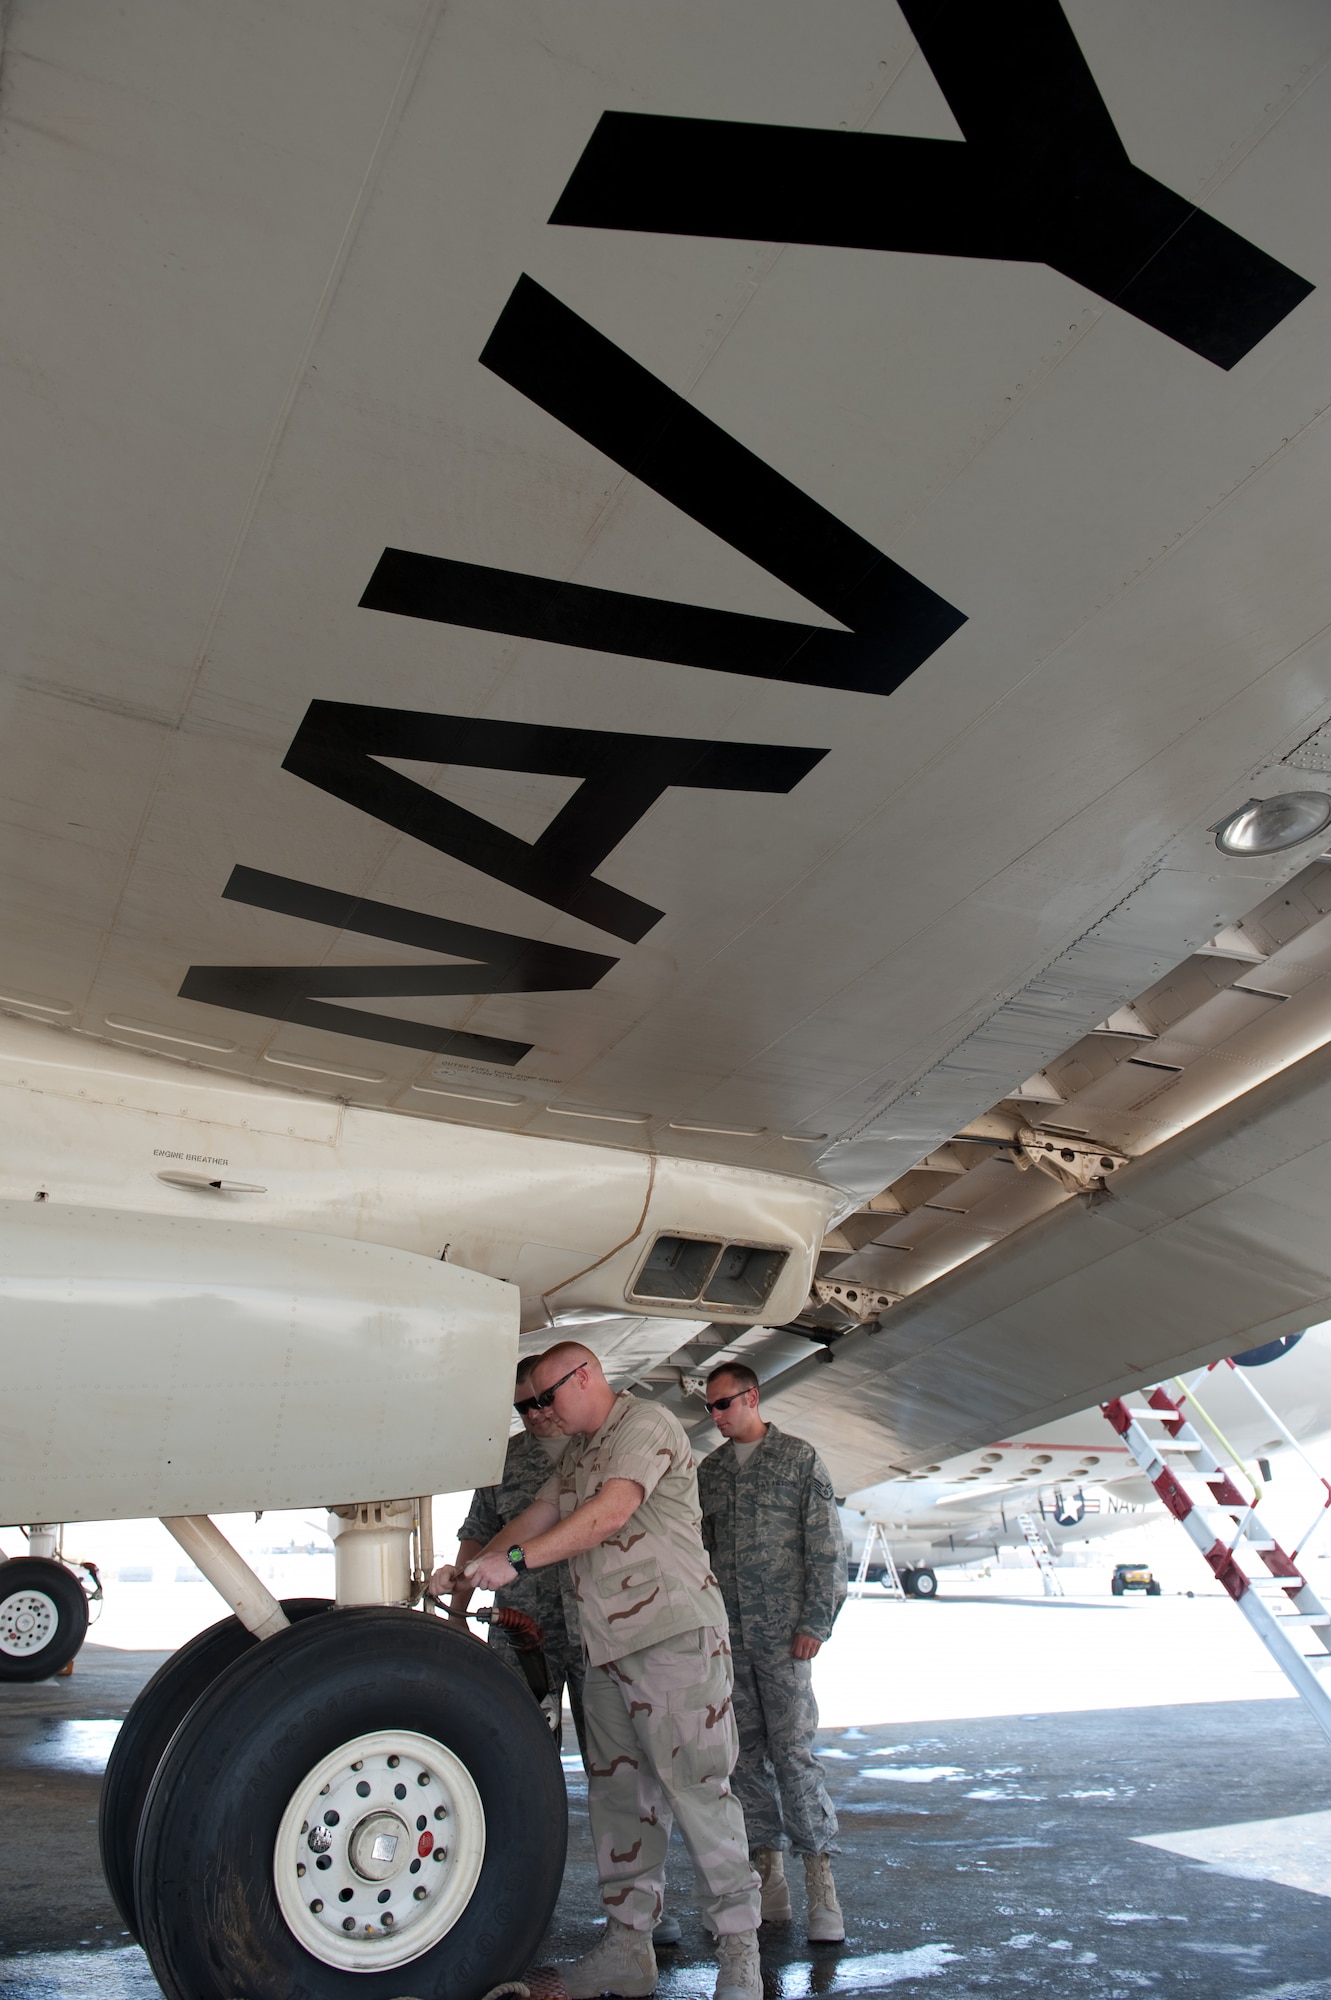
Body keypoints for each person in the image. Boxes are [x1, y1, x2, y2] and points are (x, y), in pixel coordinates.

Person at [435, 1341, 762, 2000]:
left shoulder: (643, 1424)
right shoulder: (581, 1450)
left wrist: (516, 1563)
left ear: (583, 1377)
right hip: (606, 1648)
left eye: (547, 1397)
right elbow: (538, 1514)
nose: (540, 1412)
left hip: (671, 1639)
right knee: (620, 1798)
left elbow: (609, 1512)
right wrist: (470, 1571)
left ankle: (739, 1956)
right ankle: (627, 1951)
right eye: (530, 1403)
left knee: (697, 1792)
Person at [695, 1362, 847, 1944]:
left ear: (752, 1397)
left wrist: (816, 1622)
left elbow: (826, 1547)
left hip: (785, 1641)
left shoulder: (798, 1459)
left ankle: (821, 1883)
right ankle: (768, 1875)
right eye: (709, 1407)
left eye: (723, 1404)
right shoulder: (709, 1473)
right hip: (729, 1642)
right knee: (743, 1760)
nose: (715, 1415)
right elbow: (699, 1556)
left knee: (794, 1756)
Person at [446, 1357, 586, 1758]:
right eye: (522, 1407)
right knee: (519, 1747)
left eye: (540, 1402)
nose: (534, 1414)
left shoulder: (595, 1448)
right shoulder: (504, 1461)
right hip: (521, 1627)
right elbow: (478, 1534)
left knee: (612, 1752)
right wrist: (457, 1613)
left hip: (592, 1625)